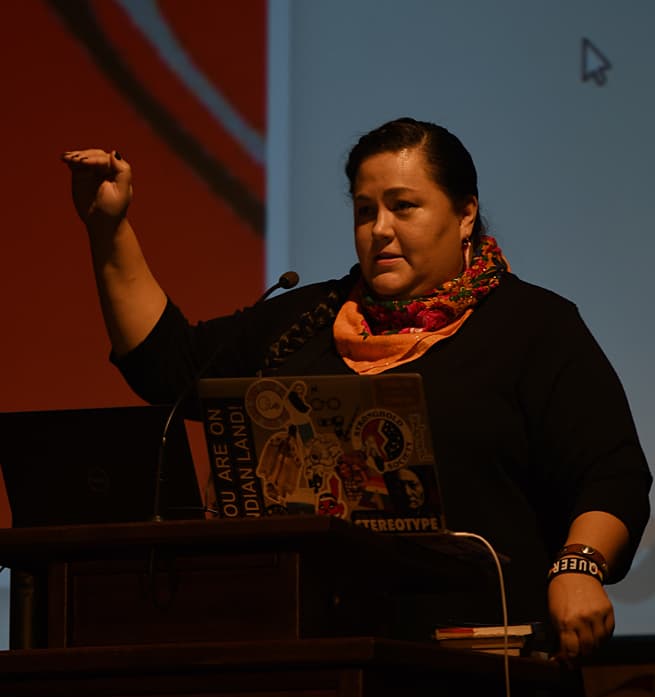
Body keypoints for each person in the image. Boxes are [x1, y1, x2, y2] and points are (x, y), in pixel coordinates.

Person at [61, 118, 651, 667]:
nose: (380, 229)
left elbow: (612, 475)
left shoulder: (533, 326)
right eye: (365, 210)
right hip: (316, 665)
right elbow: (168, 367)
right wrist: (108, 230)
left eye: (403, 206)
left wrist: (579, 566)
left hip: (487, 669)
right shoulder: (307, 320)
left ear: (465, 213)